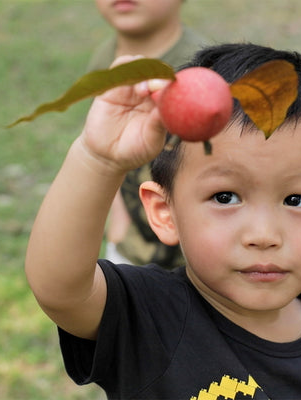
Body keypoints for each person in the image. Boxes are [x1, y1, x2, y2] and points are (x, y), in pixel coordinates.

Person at [25, 43, 301, 399]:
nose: (263, 235)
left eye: (296, 200)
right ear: (166, 213)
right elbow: (60, 288)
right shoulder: (149, 318)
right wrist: (98, 159)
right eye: (225, 197)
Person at [90, 0, 209, 269]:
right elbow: (108, 153)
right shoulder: (105, 60)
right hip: (132, 251)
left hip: (196, 264)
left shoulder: (200, 71)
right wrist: (118, 225)